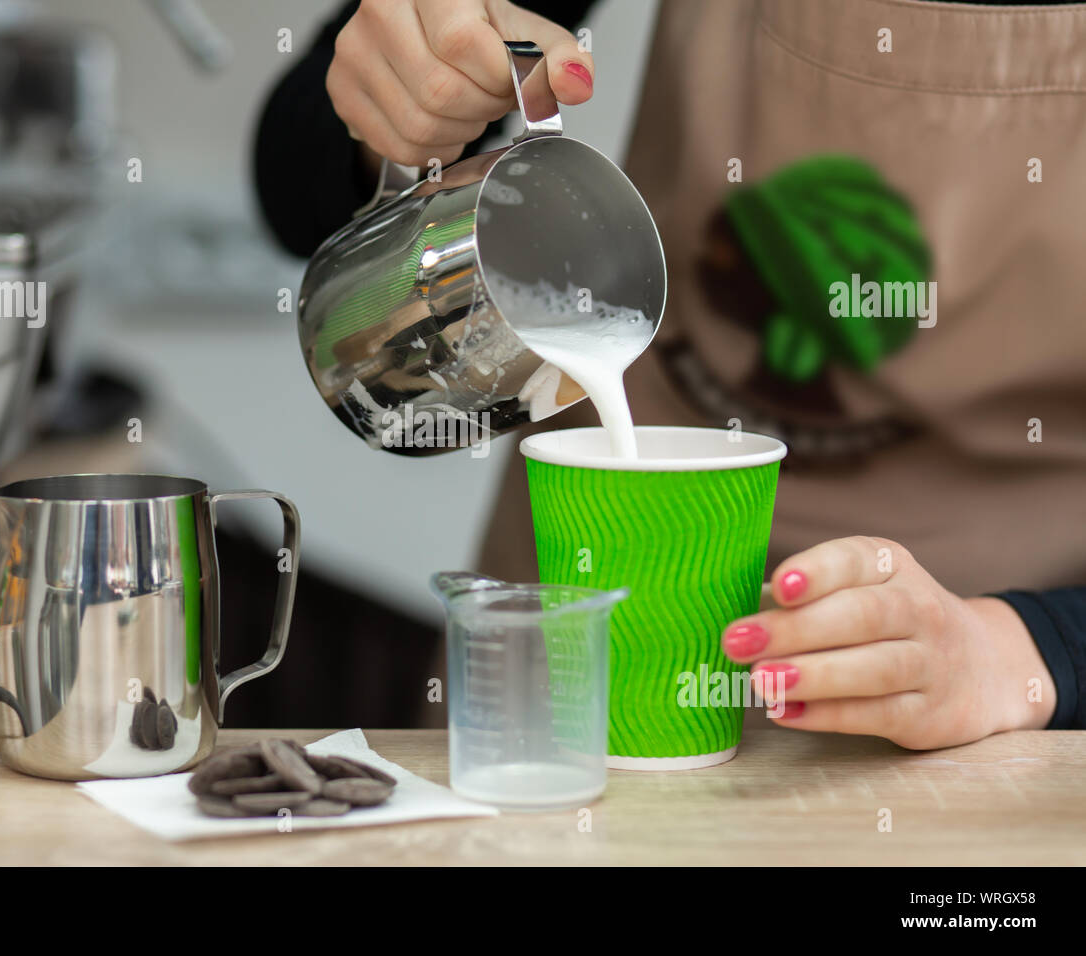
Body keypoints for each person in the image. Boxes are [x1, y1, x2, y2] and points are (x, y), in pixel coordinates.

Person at [254, 0, 1086, 748]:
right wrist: (398, 101)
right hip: (563, 670)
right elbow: (292, 170)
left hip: (985, 707)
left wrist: (1026, 646)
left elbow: (1026, 658)